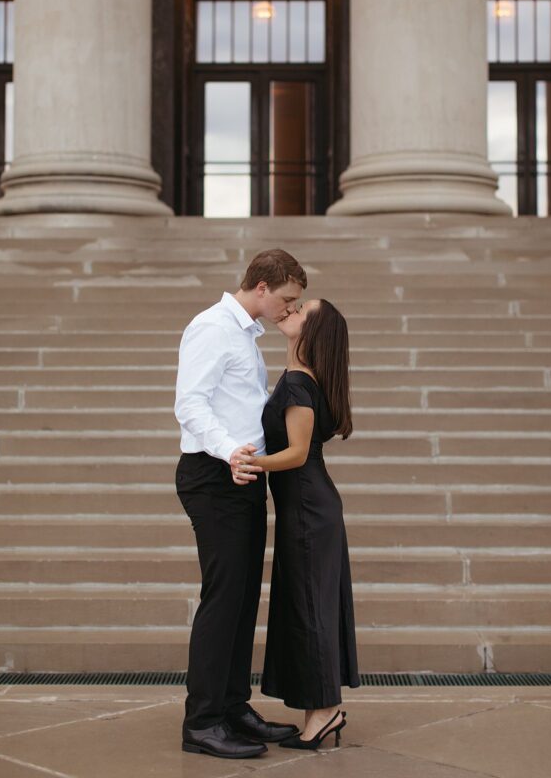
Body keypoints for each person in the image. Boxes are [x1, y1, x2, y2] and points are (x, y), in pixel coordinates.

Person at [174, 249, 307, 759]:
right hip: (214, 475)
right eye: (287, 300)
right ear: (262, 287)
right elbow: (190, 404)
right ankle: (202, 722)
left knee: (244, 598)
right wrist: (229, 450)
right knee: (224, 599)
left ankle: (232, 708)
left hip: (243, 475)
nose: (289, 310)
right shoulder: (211, 327)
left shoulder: (245, 334)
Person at [235, 298, 360, 750]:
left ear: (315, 330)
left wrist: (250, 462)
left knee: (310, 607)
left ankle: (325, 711)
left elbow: (298, 454)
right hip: (307, 509)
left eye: (302, 309)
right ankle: (319, 709)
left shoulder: (299, 384)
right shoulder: (301, 380)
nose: (291, 310)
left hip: (308, 510)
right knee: (307, 606)